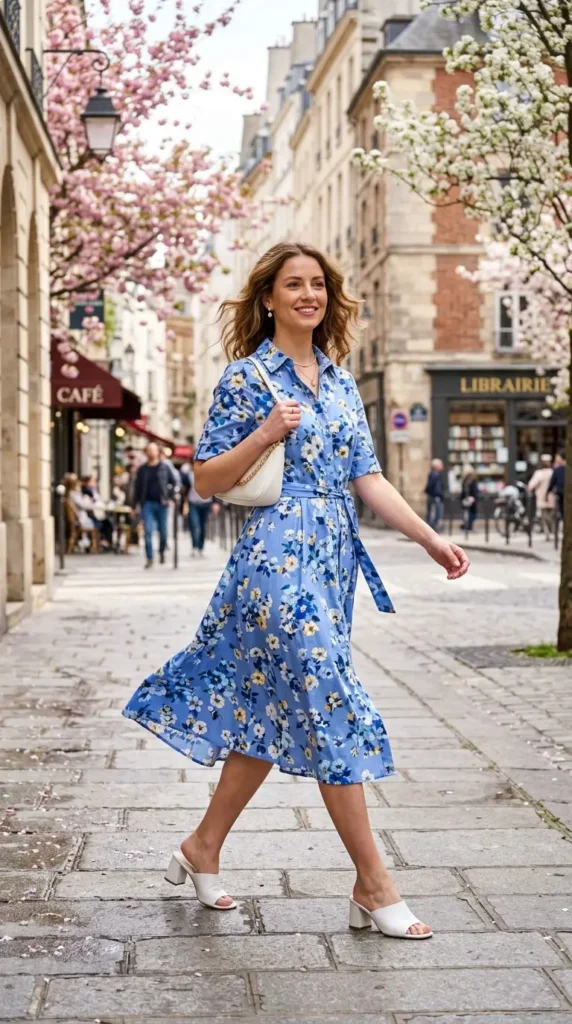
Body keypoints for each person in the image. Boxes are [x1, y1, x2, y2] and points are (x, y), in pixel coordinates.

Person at [122, 241, 469, 939]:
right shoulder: (248, 379)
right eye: (293, 284)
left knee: (271, 706)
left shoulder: (340, 383)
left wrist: (428, 539)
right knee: (326, 693)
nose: (308, 294)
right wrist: (264, 433)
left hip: (333, 559)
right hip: (274, 560)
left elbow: (367, 478)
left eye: (317, 285)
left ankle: (202, 848)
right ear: (270, 298)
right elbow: (208, 479)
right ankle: (375, 883)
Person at [132, 442, 178, 568]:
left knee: (163, 533)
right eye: (149, 450)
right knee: (148, 532)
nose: (151, 452)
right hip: (147, 504)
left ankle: (162, 552)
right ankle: (150, 558)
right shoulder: (142, 469)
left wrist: (170, 496)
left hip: (162, 504)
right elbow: (137, 488)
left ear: (158, 451)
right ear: (146, 452)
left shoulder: (165, 466)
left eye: (153, 450)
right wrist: (133, 506)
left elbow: (175, 482)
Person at [181, 459, 215, 556]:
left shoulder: (209, 474)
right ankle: (194, 546)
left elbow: (215, 488)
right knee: (194, 525)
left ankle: (201, 547)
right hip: (193, 503)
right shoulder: (189, 475)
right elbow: (185, 489)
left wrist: (215, 503)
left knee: (203, 526)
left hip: (206, 503)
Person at [527, 454, 556, 540]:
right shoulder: (553, 472)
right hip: (553, 498)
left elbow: (531, 485)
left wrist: (530, 489)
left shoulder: (539, 473)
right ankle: (553, 532)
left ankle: (548, 533)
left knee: (544, 517)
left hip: (542, 498)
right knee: (552, 516)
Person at [424, 458, 444, 532]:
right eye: (441, 464)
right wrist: (438, 495)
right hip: (435, 496)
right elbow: (434, 487)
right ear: (436, 466)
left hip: (433, 496)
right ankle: (432, 529)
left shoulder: (433, 474)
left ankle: (430, 528)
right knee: (435, 513)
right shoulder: (435, 475)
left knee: (432, 512)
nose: (442, 466)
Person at [548, 451, 566, 524]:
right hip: (562, 493)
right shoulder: (557, 469)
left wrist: (548, 491)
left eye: (557, 458)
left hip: (561, 493)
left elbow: (552, 482)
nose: (556, 460)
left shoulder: (557, 469)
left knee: (562, 511)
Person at [461, 465, 479, 532]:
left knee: (469, 513)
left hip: (469, 499)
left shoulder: (467, 480)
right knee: (470, 513)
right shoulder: (469, 480)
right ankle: (468, 526)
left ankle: (468, 526)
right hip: (469, 499)